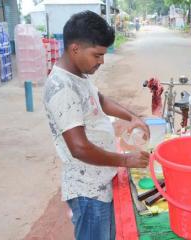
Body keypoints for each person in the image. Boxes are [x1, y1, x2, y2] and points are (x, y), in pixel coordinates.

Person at [43, 11, 150, 240]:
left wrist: (132, 117)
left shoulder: (78, 76)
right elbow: (79, 148)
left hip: (99, 181)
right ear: (75, 49)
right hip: (87, 192)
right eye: (97, 55)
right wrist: (125, 160)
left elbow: (99, 100)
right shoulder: (62, 88)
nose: (101, 61)